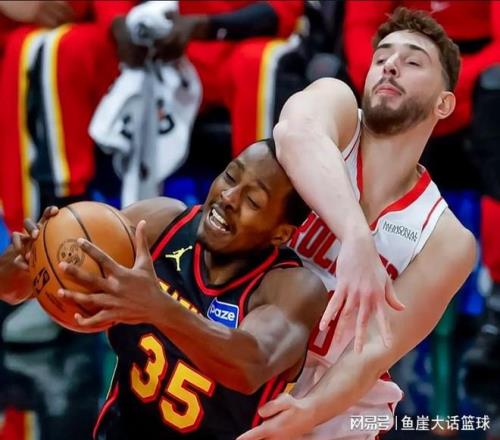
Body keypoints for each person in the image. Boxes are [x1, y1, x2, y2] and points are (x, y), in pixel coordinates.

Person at [238, 7, 476, 440]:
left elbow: (376, 350)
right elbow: (294, 132)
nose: (390, 65)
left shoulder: (446, 238)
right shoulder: (336, 108)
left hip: (335, 404)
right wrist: (356, 238)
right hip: (245, 356)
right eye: (381, 56)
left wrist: (308, 412)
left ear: (443, 103)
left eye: (413, 61)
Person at [0, 139, 327, 439]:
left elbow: (251, 366)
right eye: (230, 176)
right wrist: (29, 262)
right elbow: (12, 289)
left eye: (253, 201)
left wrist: (159, 308)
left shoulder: (293, 288)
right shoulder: (159, 224)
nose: (229, 197)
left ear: (280, 234)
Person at [113, 0, 304, 158]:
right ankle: (108, 187)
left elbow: (281, 10)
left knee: (256, 62)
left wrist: (205, 26)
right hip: (174, 43)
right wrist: (118, 22)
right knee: (100, 44)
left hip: (237, 43)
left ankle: (254, 180)